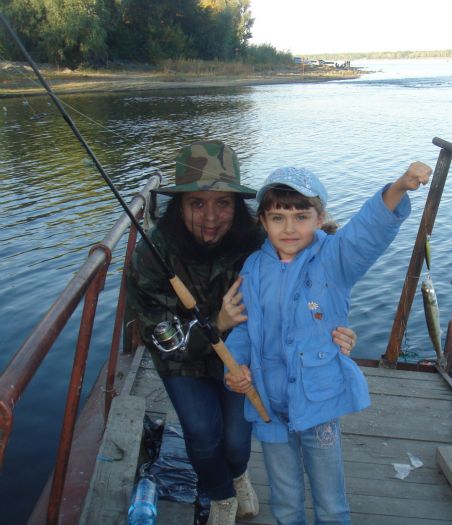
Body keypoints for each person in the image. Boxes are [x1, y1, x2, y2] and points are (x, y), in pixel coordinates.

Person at [126, 141, 357, 525]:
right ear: (179, 206)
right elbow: (161, 338)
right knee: (201, 435)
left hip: (244, 358)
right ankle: (220, 498)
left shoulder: (258, 240)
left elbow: (313, 275)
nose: (212, 217)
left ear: (239, 206)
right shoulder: (152, 254)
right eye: (197, 204)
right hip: (181, 360)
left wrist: (333, 327)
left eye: (224, 203)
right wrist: (218, 324)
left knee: (236, 440)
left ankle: (237, 477)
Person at [224, 162, 432, 524]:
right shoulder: (253, 268)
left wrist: (398, 187)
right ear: (262, 221)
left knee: (330, 502)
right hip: (266, 405)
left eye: (301, 217)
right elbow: (243, 327)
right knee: (285, 500)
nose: (289, 228)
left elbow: (367, 231)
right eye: (277, 218)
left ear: (320, 219)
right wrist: (236, 366)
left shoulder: (336, 260)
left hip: (318, 402)